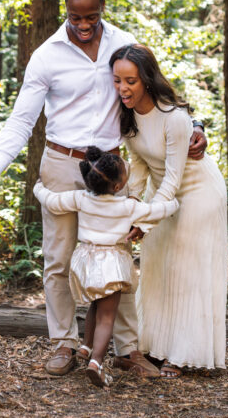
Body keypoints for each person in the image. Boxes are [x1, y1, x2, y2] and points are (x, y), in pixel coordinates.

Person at [0, 0, 207, 378]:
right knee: (58, 259)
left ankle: (127, 350)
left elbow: (155, 90)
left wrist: (197, 125)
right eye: (75, 18)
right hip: (63, 162)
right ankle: (64, 343)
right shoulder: (46, 56)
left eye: (91, 18)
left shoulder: (122, 43)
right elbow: (22, 120)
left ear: (102, 8)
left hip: (115, 168)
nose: (83, 26)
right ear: (66, 10)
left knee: (119, 257)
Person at [110, 43, 228, 377]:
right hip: (159, 194)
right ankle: (156, 347)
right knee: (158, 266)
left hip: (197, 192)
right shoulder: (127, 115)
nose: (123, 88)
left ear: (146, 79)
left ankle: (184, 354)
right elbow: (139, 166)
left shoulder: (173, 118)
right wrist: (130, 208)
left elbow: (174, 179)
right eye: (117, 81)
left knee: (186, 270)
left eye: (130, 81)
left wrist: (144, 222)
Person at [33, 147, 179, 387]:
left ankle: (84, 347)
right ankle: (97, 363)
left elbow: (53, 202)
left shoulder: (81, 198)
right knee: (107, 316)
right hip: (111, 264)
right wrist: (174, 202)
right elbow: (158, 210)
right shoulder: (127, 206)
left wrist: (38, 187)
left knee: (95, 305)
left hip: (86, 263)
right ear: (119, 186)